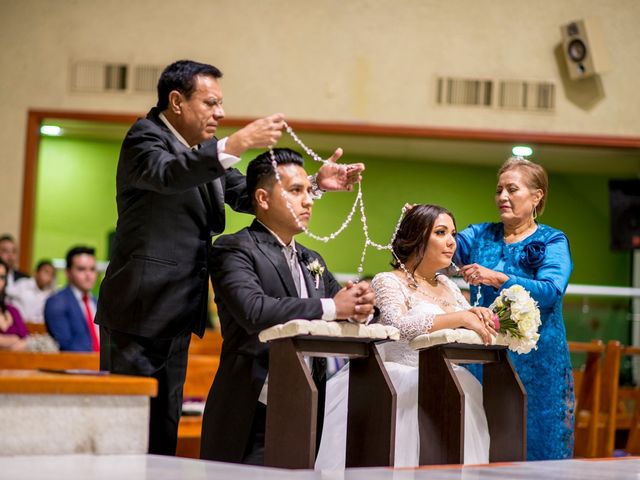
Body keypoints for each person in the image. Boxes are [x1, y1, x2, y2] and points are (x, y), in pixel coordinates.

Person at [95, 59, 365, 456]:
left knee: (162, 432)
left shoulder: (202, 154)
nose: (220, 113)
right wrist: (235, 144)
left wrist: (313, 186)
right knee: (128, 430)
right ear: (176, 102)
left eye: (220, 104)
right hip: (139, 308)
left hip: (177, 310)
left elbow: (254, 196)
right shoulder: (145, 138)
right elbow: (170, 174)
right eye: (210, 103)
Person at [200, 148, 375, 465]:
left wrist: (363, 304)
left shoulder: (312, 259)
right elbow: (254, 311)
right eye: (297, 191)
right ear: (263, 199)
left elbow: (341, 304)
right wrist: (333, 308)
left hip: (307, 411)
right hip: (251, 412)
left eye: (309, 191)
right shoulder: (235, 249)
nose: (309, 200)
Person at [316, 204, 494, 469]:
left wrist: (476, 315)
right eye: (441, 232)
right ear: (417, 237)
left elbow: (462, 320)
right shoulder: (389, 280)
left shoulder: (447, 284)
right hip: (399, 383)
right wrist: (460, 318)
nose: (451, 242)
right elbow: (396, 324)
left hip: (448, 379)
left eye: (453, 234)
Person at [456, 156, 574, 460]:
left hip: (537, 361)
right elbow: (442, 248)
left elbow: (550, 291)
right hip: (483, 355)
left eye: (512, 189)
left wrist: (498, 278)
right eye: (498, 190)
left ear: (537, 196)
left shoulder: (552, 240)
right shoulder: (480, 235)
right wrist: (426, 226)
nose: (502, 197)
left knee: (533, 441)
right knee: (482, 436)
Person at [45, 246, 99, 352]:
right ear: (68, 272)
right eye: (81, 269)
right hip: (77, 365)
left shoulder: (96, 302)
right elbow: (66, 345)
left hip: (106, 364)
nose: (89, 275)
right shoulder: (57, 302)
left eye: (92, 269)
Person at [6, 260, 56, 324]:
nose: (48, 276)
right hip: (16, 325)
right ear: (36, 272)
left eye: (52, 274)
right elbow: (7, 297)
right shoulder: (23, 284)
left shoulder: (50, 295)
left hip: (36, 329)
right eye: (46, 272)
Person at [0, 259, 29, 351]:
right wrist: (14, 339)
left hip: (17, 363)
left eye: (2, 277)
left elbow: (26, 340)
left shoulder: (12, 310)